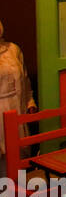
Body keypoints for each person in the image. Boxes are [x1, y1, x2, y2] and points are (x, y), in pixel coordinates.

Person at [0, 18, 37, 159]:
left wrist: (30, 102)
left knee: (20, 154)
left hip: (17, 107)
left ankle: (19, 174)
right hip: (1, 111)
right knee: (4, 159)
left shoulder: (13, 49)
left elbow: (25, 79)